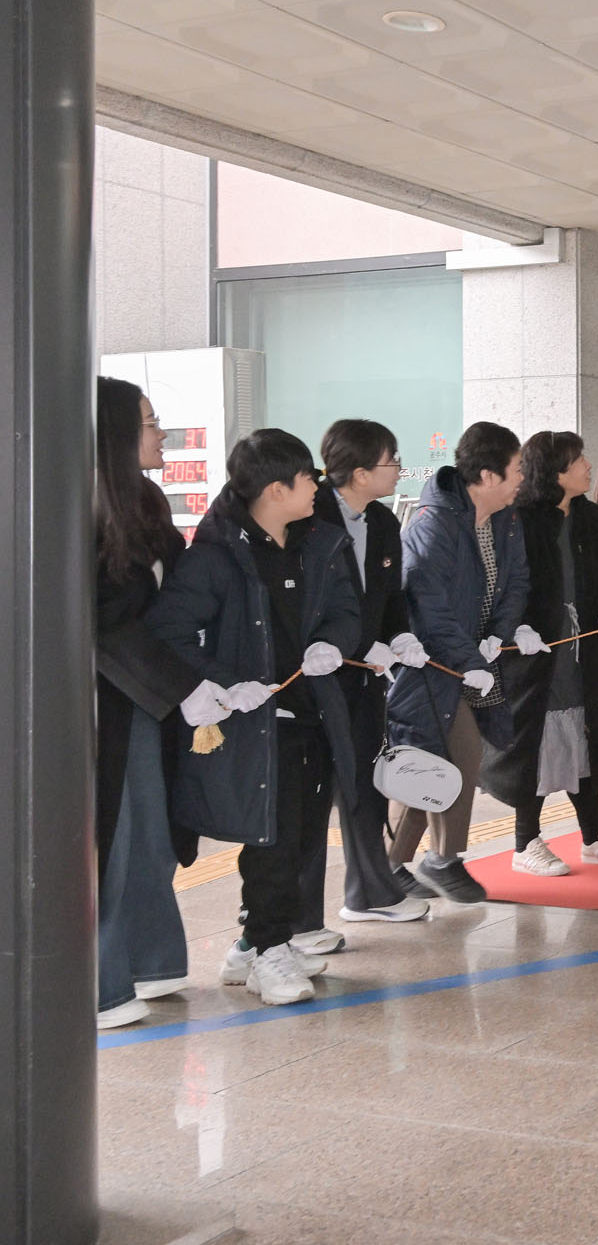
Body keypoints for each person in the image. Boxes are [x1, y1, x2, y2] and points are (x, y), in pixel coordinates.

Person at [148, 429, 363, 1006]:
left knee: (301, 833)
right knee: (271, 836)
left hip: (313, 710)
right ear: (275, 489)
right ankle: (268, 950)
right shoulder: (215, 556)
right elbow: (167, 633)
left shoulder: (318, 542)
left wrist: (333, 642)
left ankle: (252, 945)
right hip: (255, 724)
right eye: (308, 477)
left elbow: (347, 610)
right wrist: (223, 682)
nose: (317, 486)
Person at [93, 377, 219, 1029]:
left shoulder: (142, 501)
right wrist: (183, 687)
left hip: (152, 699)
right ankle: (99, 982)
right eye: (149, 421)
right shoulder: (75, 509)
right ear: (115, 433)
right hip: (105, 705)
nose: (161, 432)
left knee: (152, 830)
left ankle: (150, 958)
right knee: (113, 838)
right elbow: (104, 624)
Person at [384, 421, 528, 903]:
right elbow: (428, 607)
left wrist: (498, 636)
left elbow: (516, 582)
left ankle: (388, 866)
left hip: (473, 659)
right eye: (516, 469)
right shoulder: (436, 524)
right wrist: (470, 660)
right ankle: (440, 860)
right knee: (454, 754)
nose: (521, 479)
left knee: (435, 760)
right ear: (487, 475)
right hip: (432, 665)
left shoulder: (505, 518)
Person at [483, 432, 598, 876]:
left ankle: (593, 836)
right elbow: (505, 585)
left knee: (586, 737)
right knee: (533, 741)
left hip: (582, 650)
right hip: (533, 653)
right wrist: (518, 627)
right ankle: (525, 842)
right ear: (554, 471)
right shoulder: (519, 518)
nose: (588, 466)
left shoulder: (593, 517)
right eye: (578, 460)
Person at [306, 419, 433, 929]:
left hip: (366, 676)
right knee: (314, 795)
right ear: (360, 472)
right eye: (391, 459)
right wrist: (359, 644)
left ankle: (370, 893)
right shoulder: (310, 514)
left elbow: (390, 596)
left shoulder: (380, 521)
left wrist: (399, 637)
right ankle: (295, 923)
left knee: (365, 785)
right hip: (317, 676)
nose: (399, 467)